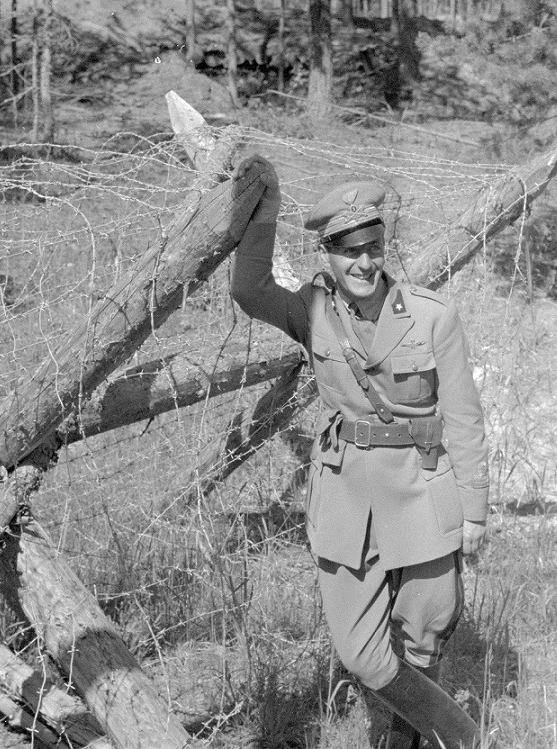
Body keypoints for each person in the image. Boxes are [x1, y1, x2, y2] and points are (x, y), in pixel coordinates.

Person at [229, 155, 491, 749]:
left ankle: (409, 741)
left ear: (383, 247)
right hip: (347, 492)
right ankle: (461, 734)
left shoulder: (431, 316)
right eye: (349, 252)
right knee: (361, 654)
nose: (364, 263)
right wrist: (264, 211)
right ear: (328, 254)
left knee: (427, 629)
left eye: (372, 248)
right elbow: (248, 289)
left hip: (422, 485)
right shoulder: (311, 311)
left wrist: (474, 511)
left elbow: (464, 419)